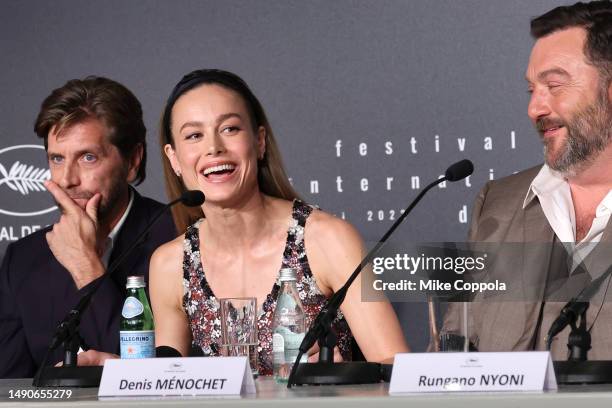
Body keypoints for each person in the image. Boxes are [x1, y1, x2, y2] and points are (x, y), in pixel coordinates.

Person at [149, 69, 409, 375]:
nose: (213, 147)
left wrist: (346, 376)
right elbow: (164, 384)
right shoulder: (170, 264)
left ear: (259, 141)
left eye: (230, 129)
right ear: (174, 159)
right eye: (194, 135)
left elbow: (396, 366)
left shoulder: (327, 240)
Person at [441, 1, 612, 359]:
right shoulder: (498, 203)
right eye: (532, 90)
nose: (535, 108)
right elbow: (451, 357)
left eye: (554, 85)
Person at [0, 76, 176, 378]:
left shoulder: (179, 239)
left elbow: (165, 380)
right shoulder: (23, 259)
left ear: (133, 161)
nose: (67, 179)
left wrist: (86, 266)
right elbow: (9, 388)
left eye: (88, 157)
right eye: (57, 158)